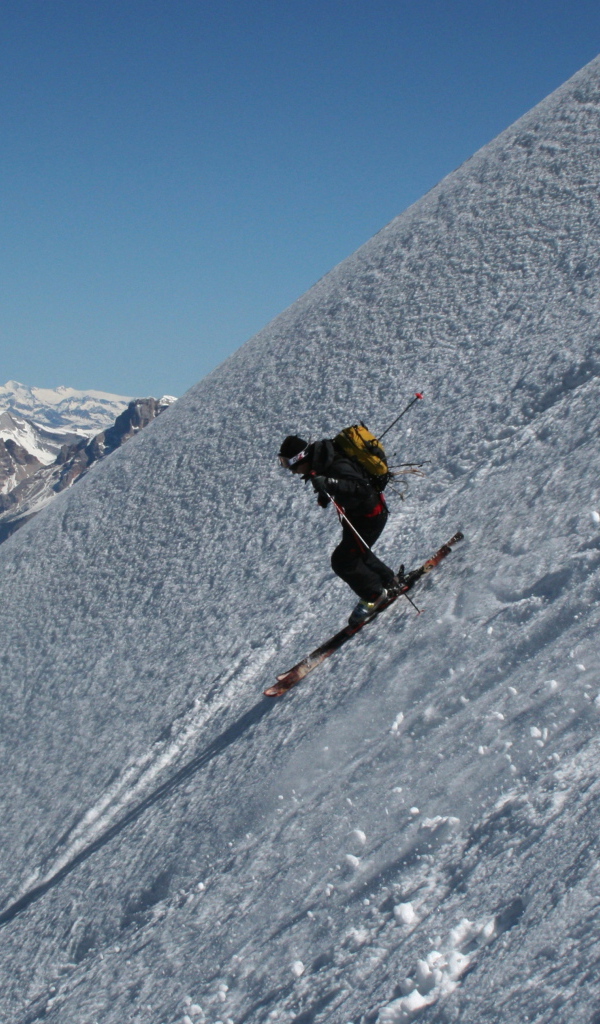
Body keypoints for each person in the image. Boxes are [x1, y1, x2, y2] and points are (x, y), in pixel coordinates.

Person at [278, 434, 402, 625]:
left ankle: (375, 595)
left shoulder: (334, 464)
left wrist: (329, 484)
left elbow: (363, 488)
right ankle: (389, 582)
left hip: (370, 515)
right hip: (357, 515)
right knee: (358, 551)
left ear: (300, 458)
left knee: (343, 561)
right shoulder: (320, 462)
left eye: (289, 465)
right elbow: (337, 482)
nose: (292, 471)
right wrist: (325, 493)